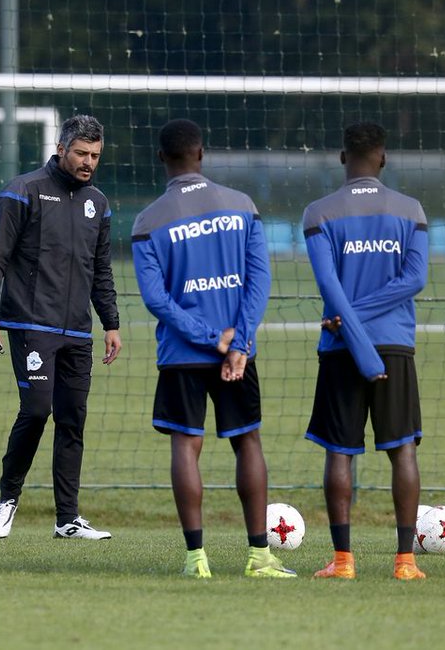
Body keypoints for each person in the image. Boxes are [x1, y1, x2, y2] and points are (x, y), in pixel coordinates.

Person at [132, 119, 293, 579]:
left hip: (183, 353)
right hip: (237, 353)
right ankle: (259, 557)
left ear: (162, 158)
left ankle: (195, 560)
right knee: (248, 442)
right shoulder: (242, 205)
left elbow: (156, 299)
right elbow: (259, 279)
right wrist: (237, 341)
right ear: (201, 154)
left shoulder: (148, 221)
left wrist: (209, 338)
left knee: (187, 444)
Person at [0, 114, 122, 540]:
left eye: (95, 155)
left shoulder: (99, 201)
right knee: (38, 410)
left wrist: (110, 324)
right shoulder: (24, 191)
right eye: (81, 153)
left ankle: (68, 518)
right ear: (61, 149)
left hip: (78, 330)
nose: (88, 162)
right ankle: (8, 497)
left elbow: (101, 270)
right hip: (31, 323)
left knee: (73, 419)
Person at [302, 122, 428, 580]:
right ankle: (405, 562)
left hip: (339, 347)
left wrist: (348, 316)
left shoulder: (319, 212)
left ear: (342, 157)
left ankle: (343, 562)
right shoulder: (410, 210)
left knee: (339, 452)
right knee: (403, 451)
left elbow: (327, 285)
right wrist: (362, 314)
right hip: (395, 345)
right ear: (383, 158)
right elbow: (414, 280)